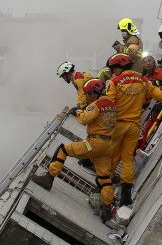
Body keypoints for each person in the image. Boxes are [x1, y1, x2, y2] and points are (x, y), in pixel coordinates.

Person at [106, 53, 162, 207]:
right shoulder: (143, 81)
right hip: (133, 127)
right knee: (127, 160)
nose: (114, 72)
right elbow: (160, 95)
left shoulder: (115, 82)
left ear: (118, 68)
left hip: (118, 126)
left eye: (114, 69)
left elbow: (108, 106)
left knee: (111, 157)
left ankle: (105, 189)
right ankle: (126, 196)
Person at [31, 79, 119, 223]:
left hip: (94, 144)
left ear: (95, 91)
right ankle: (107, 210)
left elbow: (84, 119)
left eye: (89, 93)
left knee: (63, 150)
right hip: (108, 145)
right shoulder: (112, 105)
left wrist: (78, 110)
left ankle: (49, 177)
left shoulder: (97, 105)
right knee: (104, 179)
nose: (88, 97)